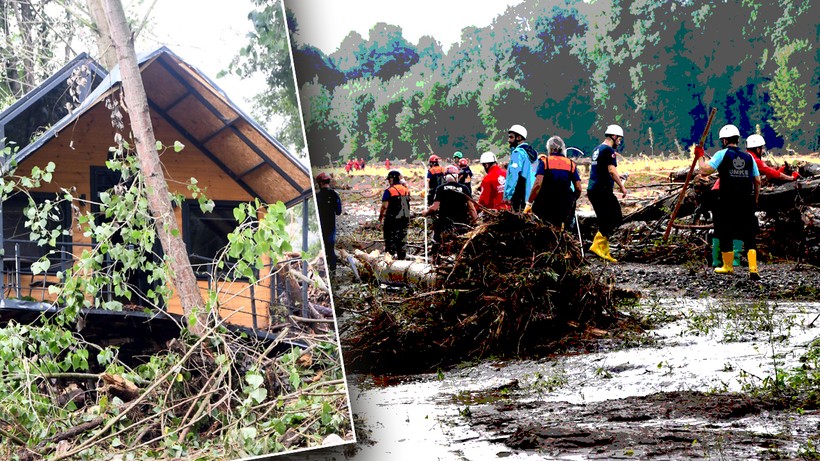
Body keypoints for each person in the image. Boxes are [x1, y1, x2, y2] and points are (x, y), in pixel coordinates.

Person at [697, 124, 761, 279]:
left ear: (724, 140)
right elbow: (757, 180)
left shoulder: (722, 154)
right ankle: (753, 269)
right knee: (749, 235)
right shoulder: (749, 157)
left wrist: (700, 156)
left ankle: (727, 266)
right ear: (737, 139)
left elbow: (704, 171)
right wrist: (755, 199)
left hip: (727, 200)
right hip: (746, 200)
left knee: (725, 232)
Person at [587, 124, 628, 263]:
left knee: (604, 219)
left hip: (593, 189)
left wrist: (618, 176)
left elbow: (603, 170)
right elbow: (611, 170)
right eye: (619, 139)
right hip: (602, 190)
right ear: (614, 136)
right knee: (616, 216)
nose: (620, 142)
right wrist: (622, 186)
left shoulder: (597, 149)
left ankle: (604, 250)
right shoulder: (609, 150)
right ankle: (597, 245)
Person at [525, 136, 581, 229]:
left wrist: (529, 203)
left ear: (549, 149)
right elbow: (578, 188)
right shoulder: (571, 164)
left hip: (545, 204)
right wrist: (573, 200)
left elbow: (537, 184)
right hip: (564, 205)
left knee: (542, 227)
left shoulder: (545, 162)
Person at [423, 165, 477, 256]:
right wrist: (476, 223)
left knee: (438, 246)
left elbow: (435, 207)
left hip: (444, 224)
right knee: (461, 249)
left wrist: (426, 213)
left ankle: (436, 261)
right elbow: (471, 208)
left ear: (445, 177)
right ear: (456, 176)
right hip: (461, 224)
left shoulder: (441, 188)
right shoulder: (464, 188)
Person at [504, 124, 538, 211]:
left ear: (518, 137)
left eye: (511, 137)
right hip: (532, 196)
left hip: (520, 195)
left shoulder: (517, 153)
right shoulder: (534, 154)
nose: (509, 140)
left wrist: (508, 195)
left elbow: (514, 175)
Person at [379, 170, 411, 260]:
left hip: (392, 219)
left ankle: (389, 260)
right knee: (402, 240)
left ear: (392, 179)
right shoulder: (406, 190)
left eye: (389, 179)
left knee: (390, 240)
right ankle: (402, 260)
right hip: (405, 218)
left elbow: (384, 207)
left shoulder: (389, 191)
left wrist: (380, 218)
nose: (389, 181)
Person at [314, 173, 342, 273]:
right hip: (331, 226)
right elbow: (339, 211)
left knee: (322, 250)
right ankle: (333, 271)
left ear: (320, 183)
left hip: (321, 226)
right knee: (330, 250)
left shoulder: (317, 196)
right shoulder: (334, 195)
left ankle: (324, 271)